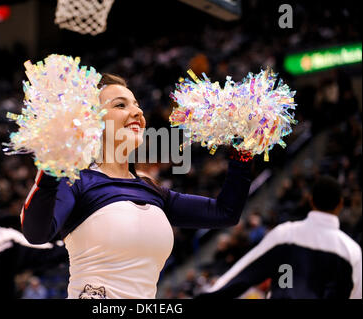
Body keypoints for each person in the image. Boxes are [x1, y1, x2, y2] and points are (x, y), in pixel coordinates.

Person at [21, 74, 253, 299]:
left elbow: (226, 213)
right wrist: (52, 166)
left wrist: (243, 147)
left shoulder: (153, 191)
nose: (138, 112)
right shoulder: (76, 181)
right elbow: (37, 233)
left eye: (137, 105)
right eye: (120, 105)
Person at [197, 176, 362, 299]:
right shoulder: (352, 251)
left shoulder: (286, 234)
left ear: (311, 201)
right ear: (341, 204)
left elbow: (243, 274)